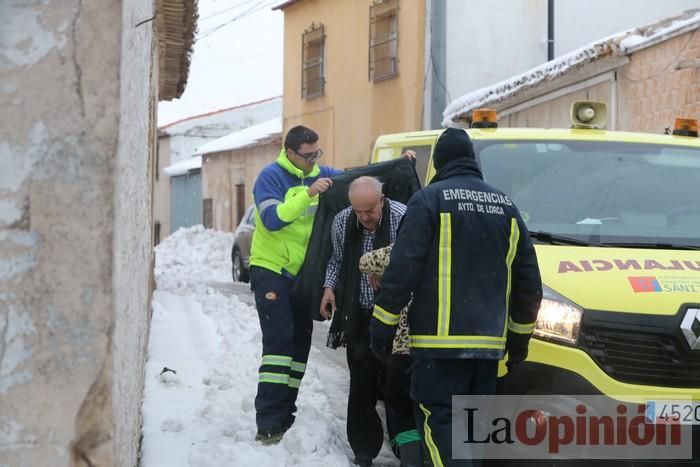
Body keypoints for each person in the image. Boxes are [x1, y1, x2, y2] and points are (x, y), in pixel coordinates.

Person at [369, 128, 543, 467]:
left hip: (439, 347)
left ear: (438, 162)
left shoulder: (429, 200)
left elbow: (402, 270)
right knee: (471, 436)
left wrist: (382, 329)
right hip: (487, 349)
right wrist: (519, 341)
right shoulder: (506, 206)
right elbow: (528, 284)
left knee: (441, 429)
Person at [249, 125, 342, 444]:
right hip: (271, 269)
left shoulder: (321, 171)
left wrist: (399, 163)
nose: (314, 160)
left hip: (303, 276)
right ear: (290, 152)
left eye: (318, 153)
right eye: (308, 155)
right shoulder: (270, 178)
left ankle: (286, 413)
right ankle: (269, 422)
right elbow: (273, 219)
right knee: (279, 344)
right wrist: (308, 193)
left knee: (300, 345)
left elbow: (358, 178)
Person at [320, 176, 421, 467]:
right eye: (358, 211)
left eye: (369, 211)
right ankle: (364, 448)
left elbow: (414, 265)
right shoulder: (342, 221)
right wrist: (329, 287)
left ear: (382, 199)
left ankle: (406, 447)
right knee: (361, 382)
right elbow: (337, 260)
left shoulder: (403, 217)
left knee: (396, 387)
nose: (363, 217)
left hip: (398, 320)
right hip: (360, 314)